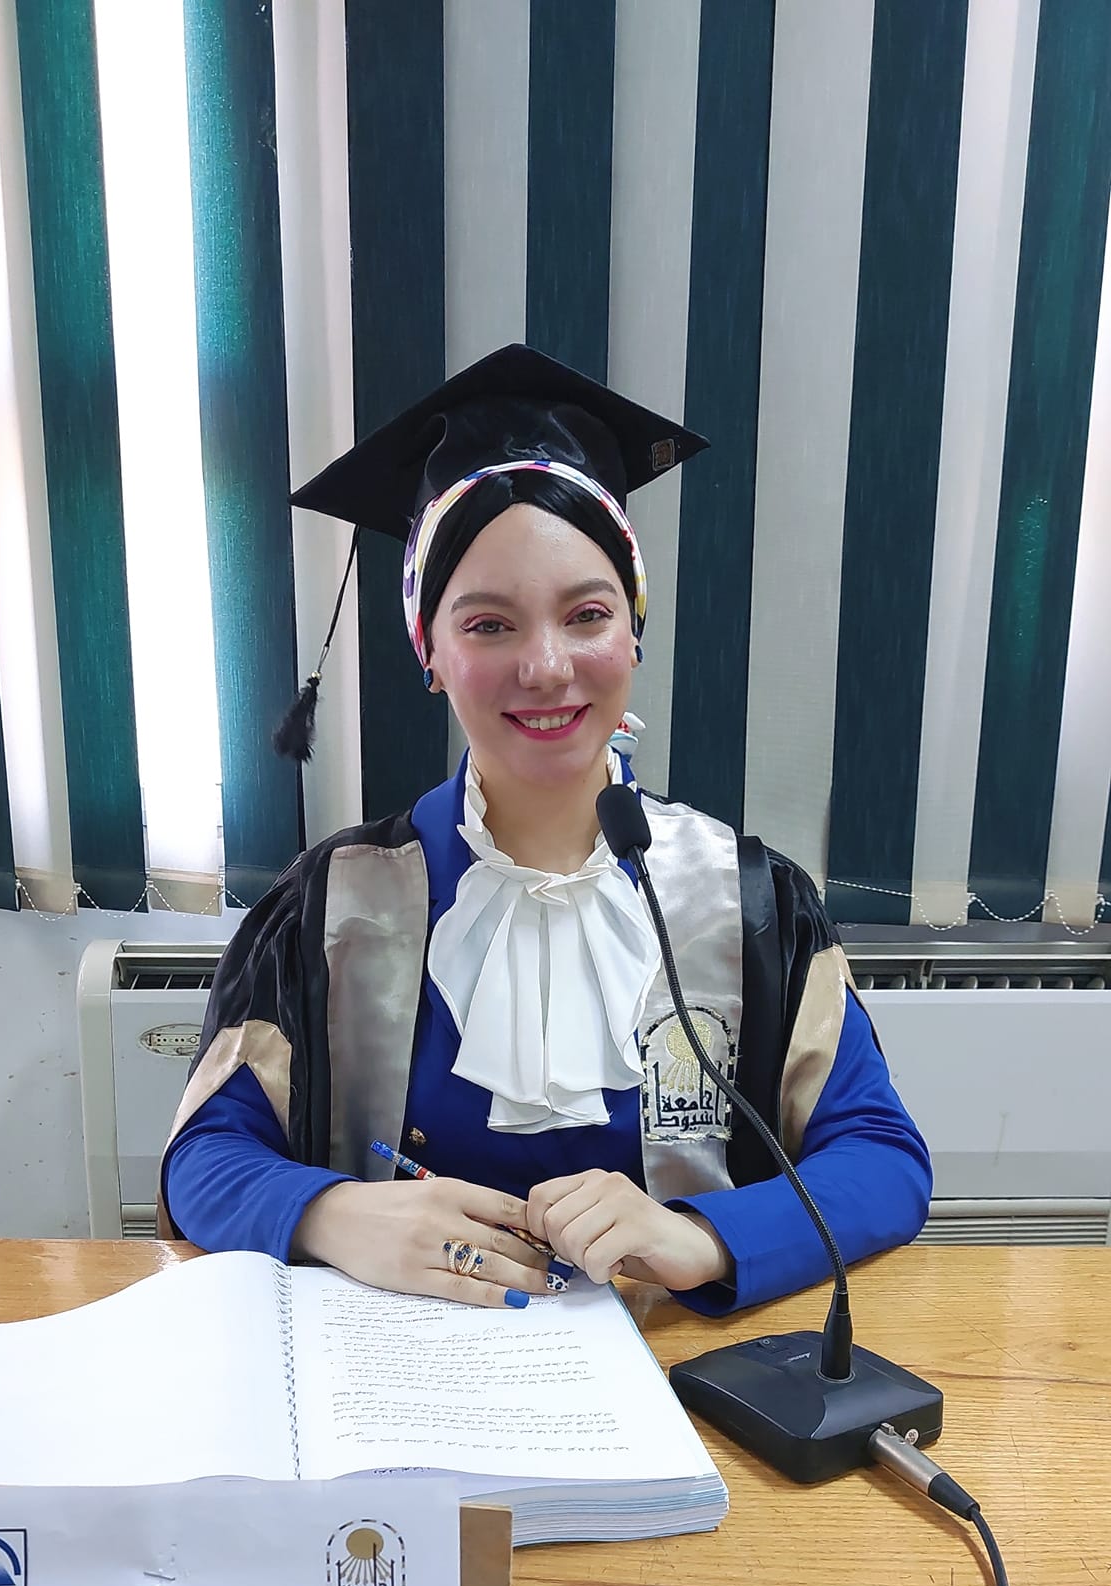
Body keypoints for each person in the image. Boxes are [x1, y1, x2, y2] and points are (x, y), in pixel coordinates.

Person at [159, 344, 931, 1315]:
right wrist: (331, 1213)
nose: (547, 667)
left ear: (633, 630)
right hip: (394, 1371)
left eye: (587, 614)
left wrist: (704, 1236)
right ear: (429, 650)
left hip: (678, 1371)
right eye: (489, 624)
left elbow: (882, 1157)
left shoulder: (751, 902)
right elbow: (205, 1155)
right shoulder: (330, 905)